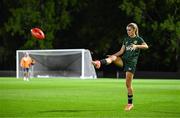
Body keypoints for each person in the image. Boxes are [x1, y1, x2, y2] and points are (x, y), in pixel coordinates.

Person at [92, 23, 149, 111]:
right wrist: (113, 56)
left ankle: (130, 104)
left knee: (128, 84)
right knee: (113, 58)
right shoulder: (126, 39)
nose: (128, 31)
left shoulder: (138, 39)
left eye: (129, 30)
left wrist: (137, 46)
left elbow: (146, 46)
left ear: (134, 30)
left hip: (131, 64)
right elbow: (121, 51)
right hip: (124, 60)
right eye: (127, 30)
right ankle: (99, 62)